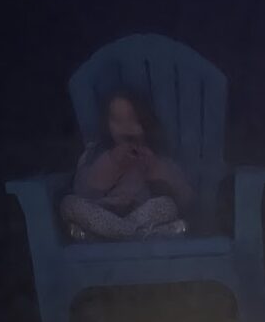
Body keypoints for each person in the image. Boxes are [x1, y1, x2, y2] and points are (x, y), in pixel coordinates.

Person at [60, 88, 195, 241]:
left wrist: (156, 168)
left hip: (141, 215)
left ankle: (105, 238)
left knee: (167, 205)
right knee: (69, 203)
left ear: (145, 122)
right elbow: (82, 191)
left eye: (132, 119)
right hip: (103, 214)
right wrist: (112, 163)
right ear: (107, 124)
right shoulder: (96, 153)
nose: (125, 127)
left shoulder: (158, 156)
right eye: (117, 121)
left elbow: (185, 198)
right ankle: (138, 235)